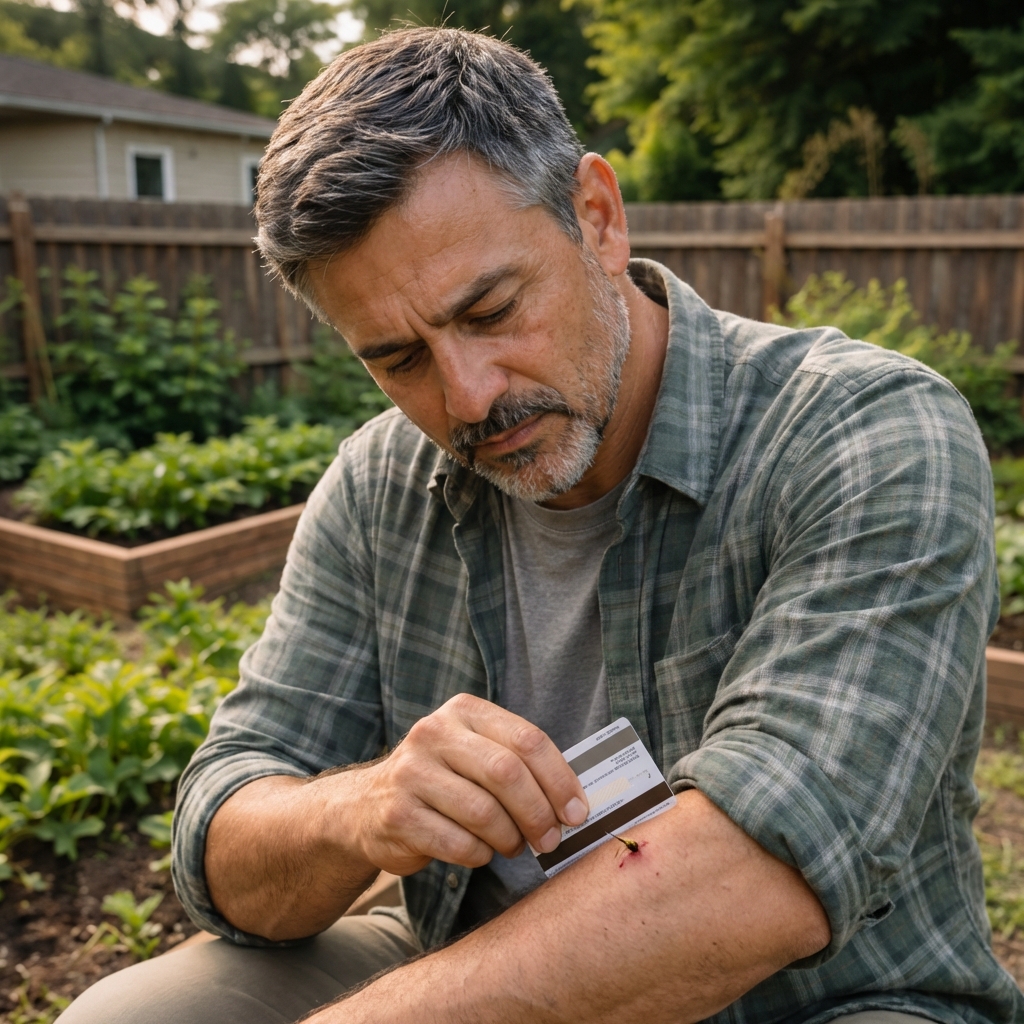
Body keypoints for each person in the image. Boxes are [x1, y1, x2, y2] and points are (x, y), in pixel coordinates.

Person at [60, 26, 1020, 1024]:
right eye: (397, 357)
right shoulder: (377, 483)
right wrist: (361, 808)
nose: (466, 398)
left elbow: (757, 881)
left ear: (596, 217)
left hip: (822, 996)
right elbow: (224, 838)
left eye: (490, 310)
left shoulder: (862, 431)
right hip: (466, 955)